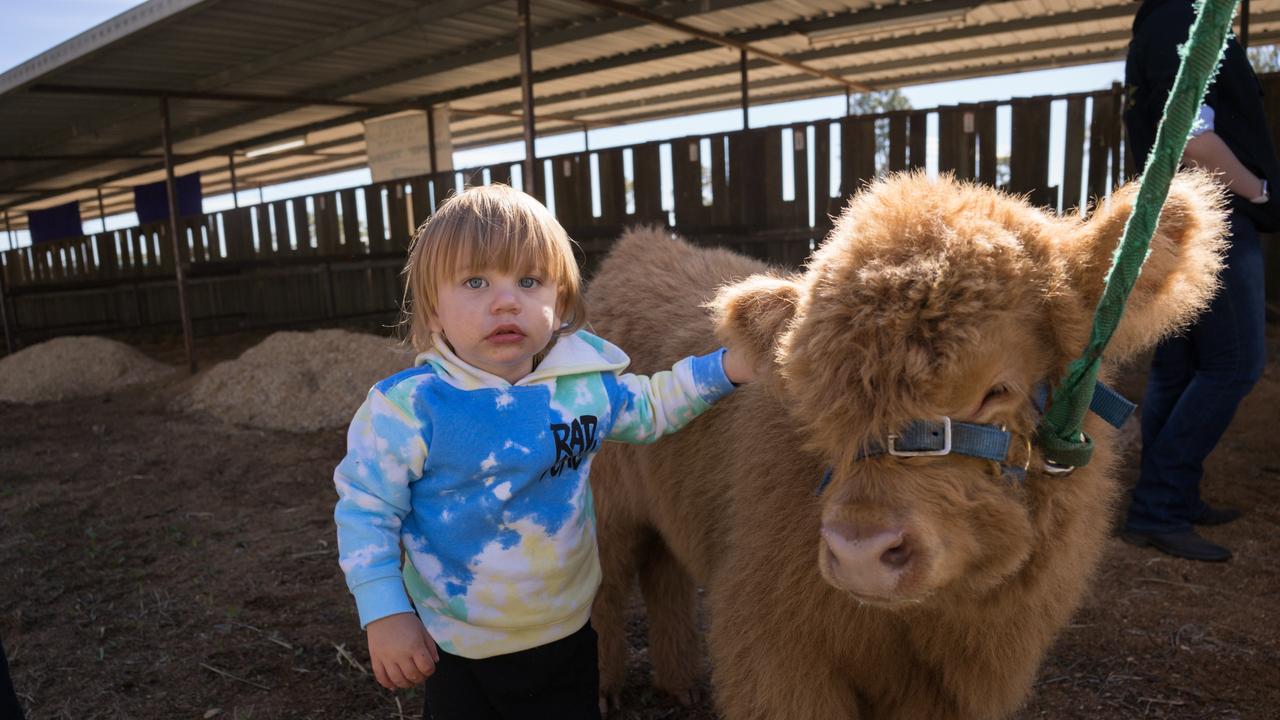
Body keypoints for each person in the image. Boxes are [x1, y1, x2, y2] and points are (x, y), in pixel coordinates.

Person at [333, 184, 755, 719]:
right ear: (433, 311)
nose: (506, 300)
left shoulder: (579, 389)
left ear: (560, 307)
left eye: (529, 281)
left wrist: (726, 368)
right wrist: (385, 612)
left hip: (568, 636)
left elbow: (652, 406)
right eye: (475, 281)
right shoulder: (410, 410)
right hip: (461, 647)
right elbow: (366, 512)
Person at [1120, 0, 1279, 561]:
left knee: (1181, 363)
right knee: (1233, 364)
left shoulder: (1169, 22)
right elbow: (1190, 134)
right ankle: (1159, 505)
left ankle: (1171, 499)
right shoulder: (1179, 20)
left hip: (1184, 213)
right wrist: (1258, 191)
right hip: (1212, 213)